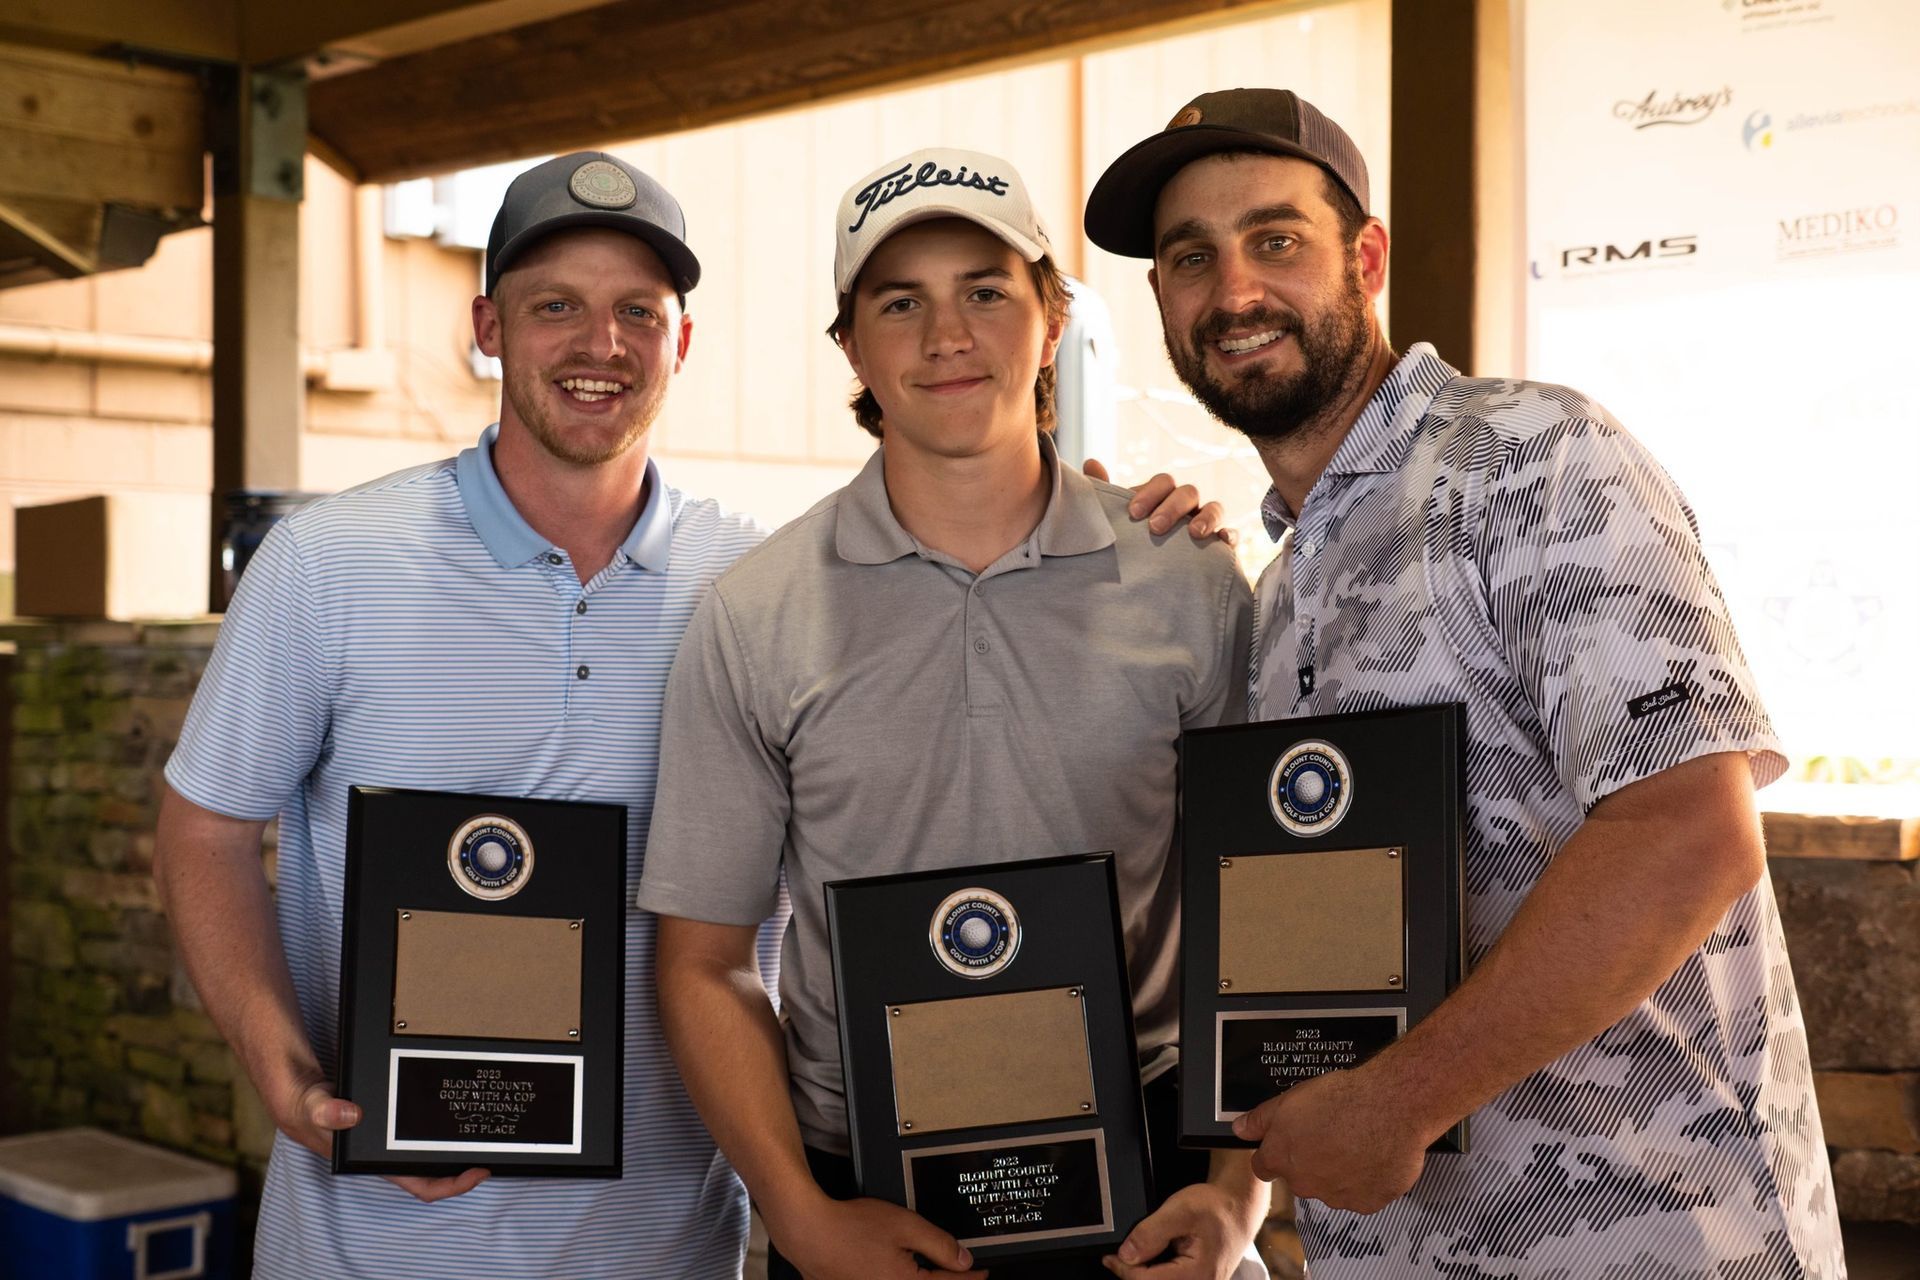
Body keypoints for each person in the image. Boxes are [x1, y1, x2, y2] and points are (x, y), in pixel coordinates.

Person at [152, 150, 1218, 1280]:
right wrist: (286, 1075)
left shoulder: (745, 580)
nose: (598, 344)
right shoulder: (331, 562)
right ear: (488, 325)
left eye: (636, 313)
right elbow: (204, 832)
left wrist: (1118, 528)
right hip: (371, 1243)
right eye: (555, 304)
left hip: (666, 1245)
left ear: (683, 341)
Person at [1083, 89, 1845, 1278]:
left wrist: (1402, 1097)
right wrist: (1238, 1195)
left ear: (1367, 258)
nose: (1234, 292)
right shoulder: (1279, 589)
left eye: (1276, 240)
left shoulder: (1533, 458)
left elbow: (1690, 828)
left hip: (1650, 1244)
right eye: (1193, 258)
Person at [638, 148, 1267, 1280]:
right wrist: (800, 1214)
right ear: (852, 347)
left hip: (1148, 1192)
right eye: (899, 303)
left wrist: (1236, 1196)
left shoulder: (1190, 580)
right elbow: (705, 961)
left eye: (985, 289)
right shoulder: (754, 613)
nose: (946, 336)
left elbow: (1259, 911)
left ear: (1051, 313)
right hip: (862, 1194)